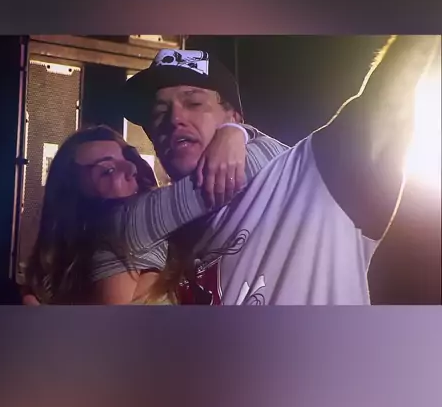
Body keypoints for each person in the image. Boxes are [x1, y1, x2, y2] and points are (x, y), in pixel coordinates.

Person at [91, 37, 441, 304]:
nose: (175, 118)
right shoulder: (163, 241)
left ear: (233, 116)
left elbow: (393, 92)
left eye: (194, 102)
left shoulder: (311, 176)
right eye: (158, 112)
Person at [23, 122, 285, 304]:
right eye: (107, 171)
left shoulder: (83, 259)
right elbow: (271, 159)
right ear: (75, 202)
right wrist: (234, 132)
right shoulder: (124, 224)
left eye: (129, 156)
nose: (131, 168)